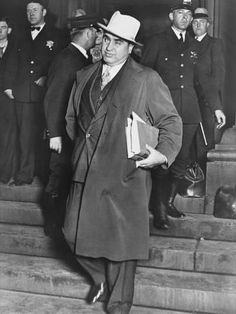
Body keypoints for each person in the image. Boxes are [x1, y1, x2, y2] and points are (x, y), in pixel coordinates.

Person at [63, 11, 182, 314]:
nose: (109, 47)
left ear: (131, 48)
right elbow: (72, 119)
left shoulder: (146, 79)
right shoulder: (85, 75)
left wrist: (162, 154)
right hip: (86, 169)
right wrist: (82, 149)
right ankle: (100, 279)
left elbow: (170, 121)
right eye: (107, 39)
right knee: (71, 233)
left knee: (121, 249)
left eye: (119, 43)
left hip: (125, 174)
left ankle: (118, 306)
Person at [141, 0, 201, 229]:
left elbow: (202, 79)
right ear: (171, 16)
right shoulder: (157, 42)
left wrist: (215, 107)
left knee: (182, 161)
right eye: (180, 13)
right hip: (164, 112)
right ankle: (159, 211)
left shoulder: (195, 45)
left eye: (188, 14)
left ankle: (167, 201)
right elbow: (143, 74)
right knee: (163, 160)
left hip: (190, 112)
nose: (185, 17)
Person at [43, 15, 100, 237]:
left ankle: (62, 222)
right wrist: (54, 133)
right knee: (57, 178)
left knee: (66, 177)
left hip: (72, 131)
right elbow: (53, 97)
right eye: (96, 32)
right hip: (62, 133)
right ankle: (53, 225)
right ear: (87, 33)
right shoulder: (68, 59)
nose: (97, 36)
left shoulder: (79, 57)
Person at [10, 0, 65, 186]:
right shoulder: (19, 34)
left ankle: (43, 174)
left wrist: (47, 78)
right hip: (23, 94)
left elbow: (60, 63)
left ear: (44, 11)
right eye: (28, 10)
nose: (31, 13)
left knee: (46, 136)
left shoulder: (57, 35)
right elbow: (10, 61)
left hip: (46, 95)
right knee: (24, 136)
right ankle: (25, 174)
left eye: (35, 10)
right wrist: (8, 87)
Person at [192, 8, 226, 174]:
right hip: (188, 101)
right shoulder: (186, 44)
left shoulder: (215, 44)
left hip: (207, 104)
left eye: (202, 22)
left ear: (208, 24)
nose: (198, 25)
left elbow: (217, 78)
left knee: (204, 144)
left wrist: (216, 106)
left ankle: (201, 182)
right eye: (195, 22)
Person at [0, 17, 18, 184]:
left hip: (8, 101)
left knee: (7, 138)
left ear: (9, 30)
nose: (0, 31)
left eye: (3, 27)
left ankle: (5, 174)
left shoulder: (17, 49)